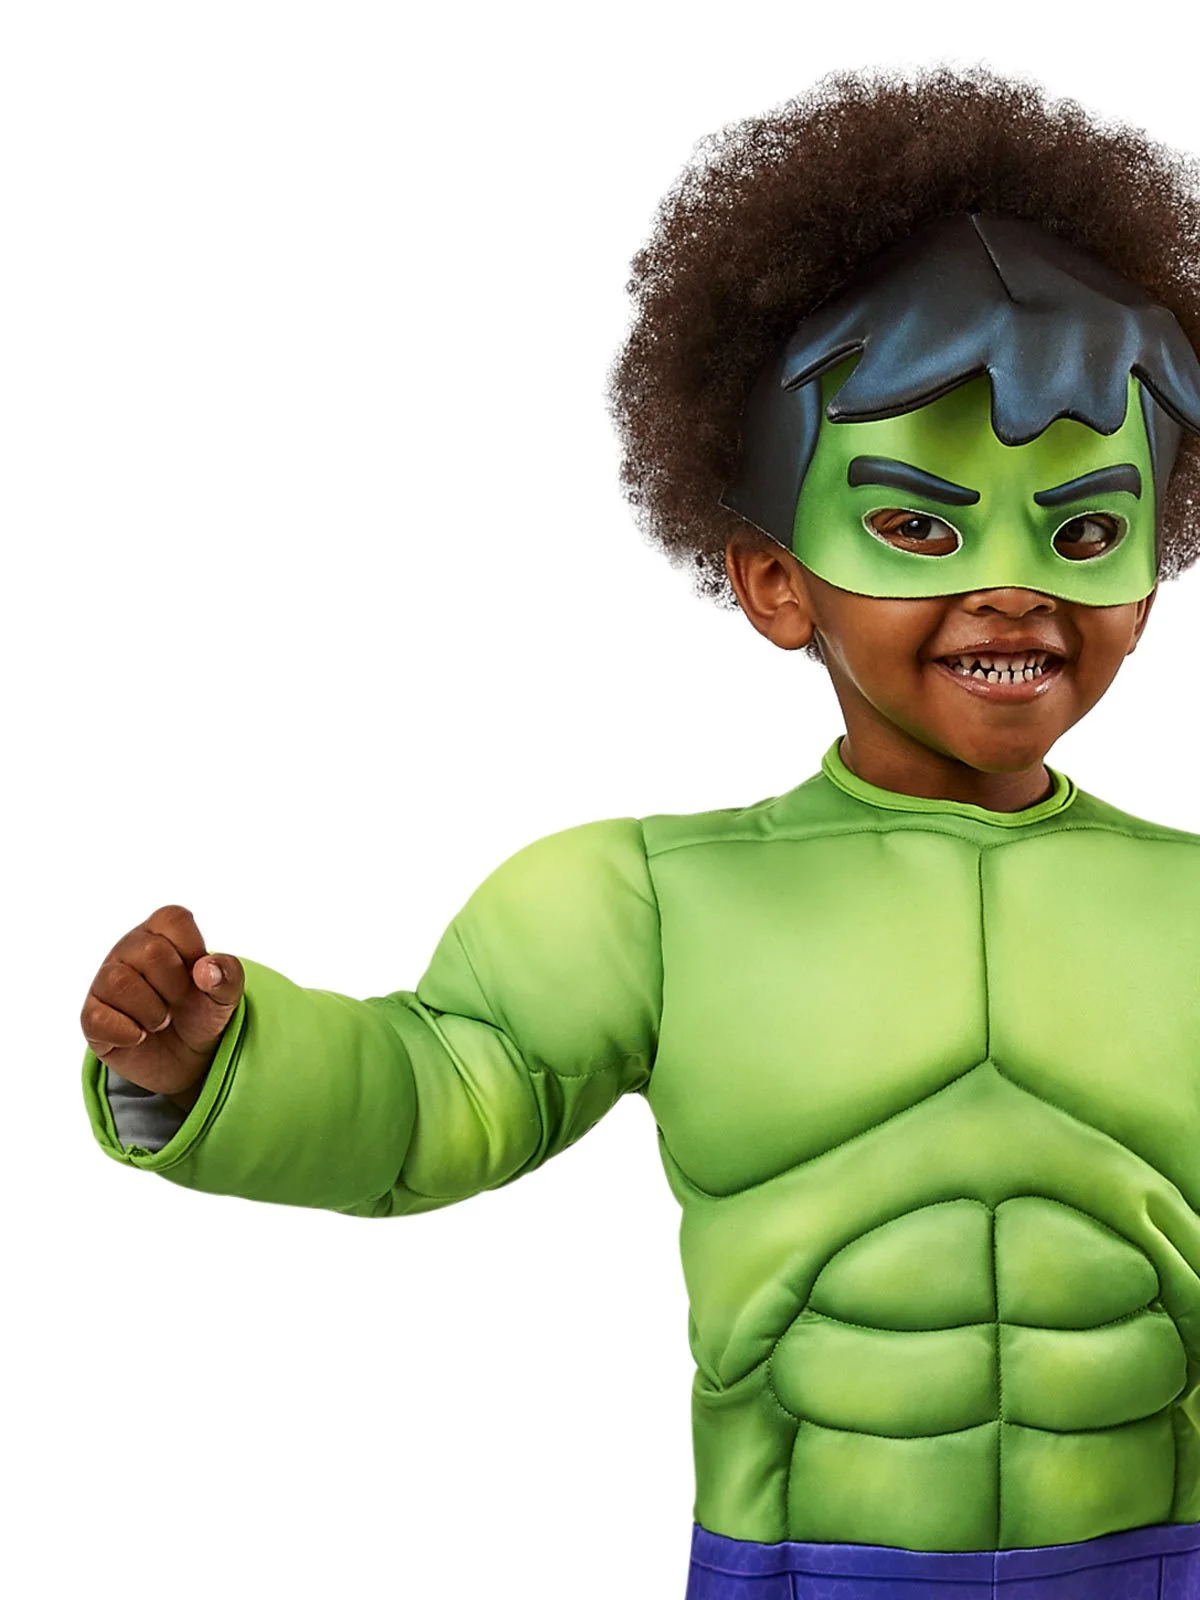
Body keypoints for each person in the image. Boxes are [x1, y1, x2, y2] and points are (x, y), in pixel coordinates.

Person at [79, 65, 1200, 1598]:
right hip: (795, 1565)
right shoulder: (653, 903)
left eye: (1084, 529)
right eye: (919, 525)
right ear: (775, 582)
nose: (1014, 589)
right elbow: (437, 1092)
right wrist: (213, 1066)